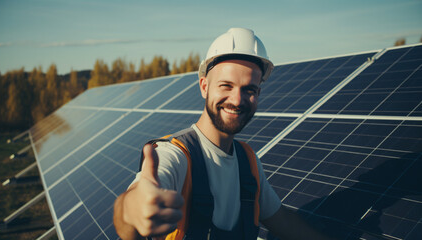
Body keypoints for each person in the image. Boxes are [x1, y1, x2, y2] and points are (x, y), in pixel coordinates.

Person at [114, 28, 334, 240]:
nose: (237, 100)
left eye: (249, 90)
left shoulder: (248, 162)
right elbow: (130, 211)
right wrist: (133, 209)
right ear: (204, 86)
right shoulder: (176, 155)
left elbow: (280, 220)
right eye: (226, 86)